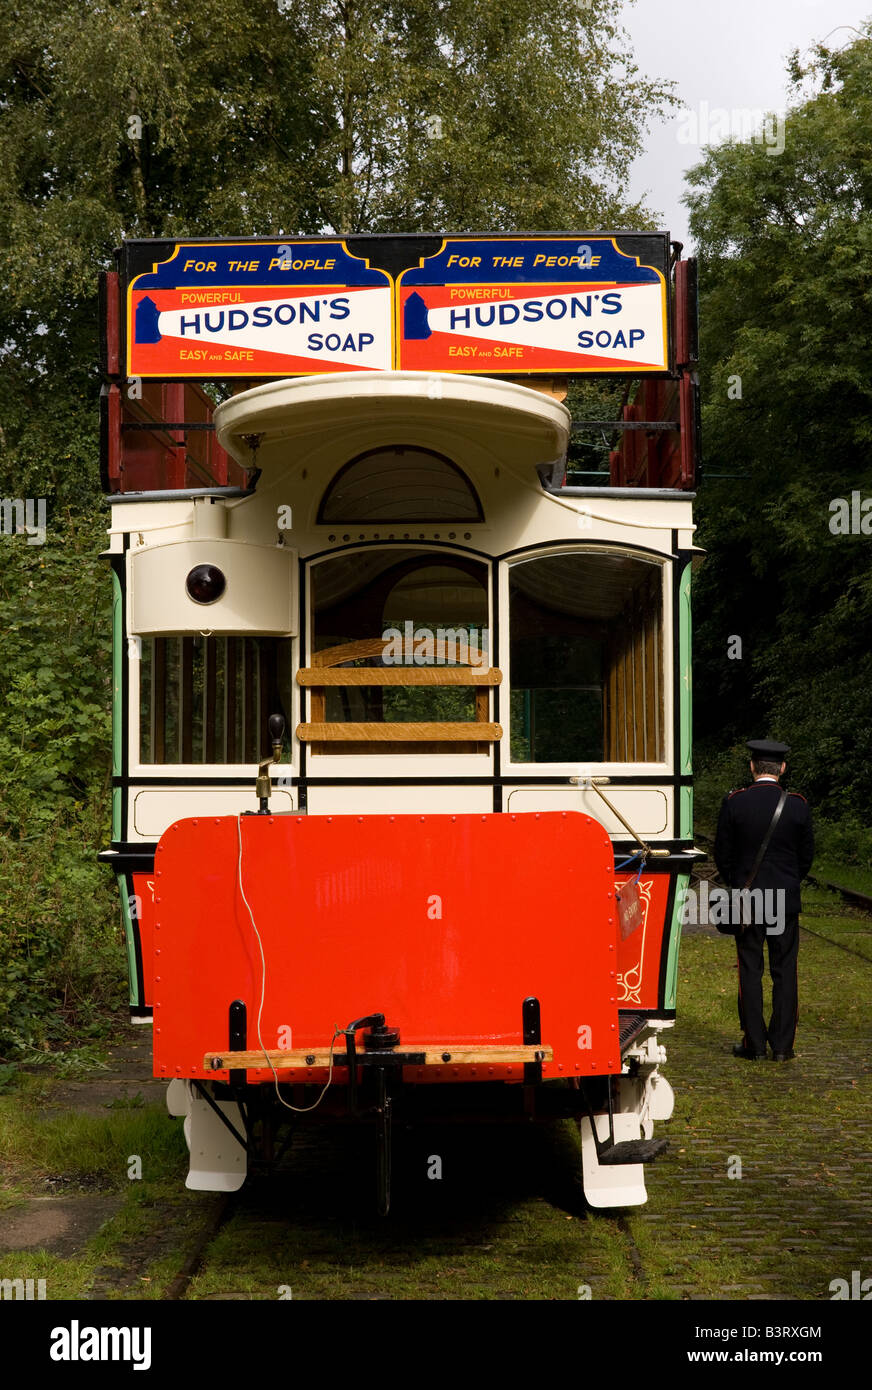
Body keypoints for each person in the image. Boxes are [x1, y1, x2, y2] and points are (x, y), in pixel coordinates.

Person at [713, 739, 814, 1061]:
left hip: (748, 899)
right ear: (782, 768)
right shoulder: (797, 805)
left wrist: (738, 883)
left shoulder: (735, 802)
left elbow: (723, 854)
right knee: (785, 971)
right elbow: (806, 856)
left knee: (750, 970)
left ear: (752, 767)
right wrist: (787, 884)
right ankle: (783, 1047)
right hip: (784, 900)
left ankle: (754, 1044)